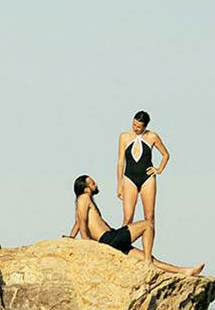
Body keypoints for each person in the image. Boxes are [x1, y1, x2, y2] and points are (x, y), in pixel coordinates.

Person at [68, 175, 205, 276]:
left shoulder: (83, 201)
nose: (96, 184)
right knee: (147, 225)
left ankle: (185, 271)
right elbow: (82, 221)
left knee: (151, 258)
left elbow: (78, 222)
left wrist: (71, 237)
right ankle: (148, 264)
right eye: (92, 183)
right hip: (109, 238)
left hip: (111, 240)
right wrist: (86, 242)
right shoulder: (84, 198)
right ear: (86, 189)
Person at [115, 111, 170, 258]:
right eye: (134, 124)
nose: (135, 128)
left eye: (139, 126)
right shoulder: (124, 136)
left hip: (147, 178)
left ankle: (147, 254)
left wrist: (158, 169)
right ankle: (121, 249)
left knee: (149, 216)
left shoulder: (152, 136)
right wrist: (119, 183)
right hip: (129, 178)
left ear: (145, 126)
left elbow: (166, 154)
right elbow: (121, 161)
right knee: (127, 217)